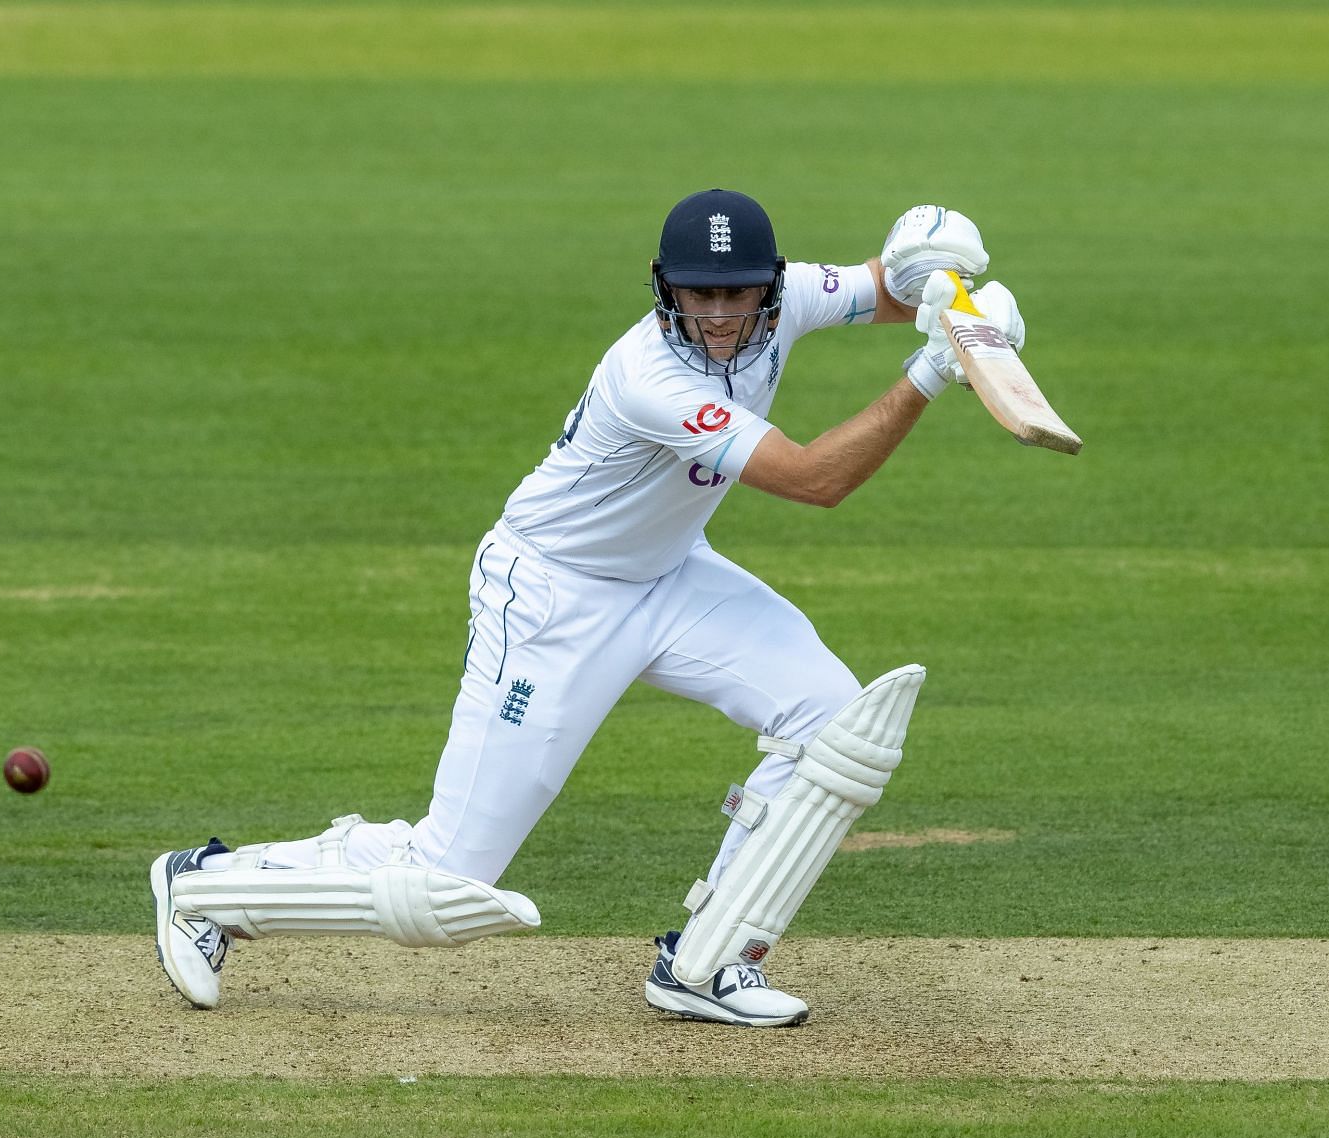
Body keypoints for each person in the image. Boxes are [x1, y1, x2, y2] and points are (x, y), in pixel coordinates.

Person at [150, 190, 1025, 1027]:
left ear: (770, 285)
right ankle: (207, 885)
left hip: (670, 576)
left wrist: (934, 275)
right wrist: (932, 370)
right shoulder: (652, 379)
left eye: (738, 294)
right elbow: (815, 480)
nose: (720, 315)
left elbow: (881, 287)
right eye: (698, 294)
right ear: (664, 288)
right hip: (551, 597)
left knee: (834, 723)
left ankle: (709, 962)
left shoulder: (782, 297)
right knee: (450, 874)